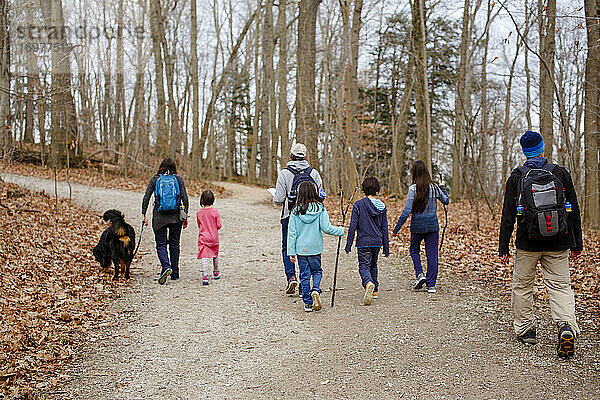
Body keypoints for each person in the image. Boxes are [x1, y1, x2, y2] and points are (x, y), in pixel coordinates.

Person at [499, 131, 583, 359]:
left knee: (522, 285)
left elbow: (508, 215)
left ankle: (526, 329)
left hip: (527, 243)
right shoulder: (560, 173)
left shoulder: (517, 177)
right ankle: (566, 326)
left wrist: (503, 247)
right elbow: (573, 211)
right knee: (560, 286)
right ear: (543, 148)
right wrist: (577, 243)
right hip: (560, 240)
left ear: (524, 152)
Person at [273, 143, 324, 295]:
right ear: (305, 157)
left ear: (290, 156)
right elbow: (320, 195)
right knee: (305, 249)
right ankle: (305, 285)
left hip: (289, 215)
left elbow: (278, 199)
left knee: (287, 246)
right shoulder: (313, 173)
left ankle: (291, 277)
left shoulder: (284, 174)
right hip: (311, 216)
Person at [392, 160, 449, 294]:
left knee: (414, 250)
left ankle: (420, 274)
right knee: (432, 255)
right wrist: (442, 187)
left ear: (414, 173)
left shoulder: (413, 189)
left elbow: (406, 211)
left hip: (417, 226)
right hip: (432, 226)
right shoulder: (434, 187)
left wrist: (396, 229)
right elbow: (446, 201)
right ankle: (431, 285)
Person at [287, 182, 344, 312]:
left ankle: (307, 303)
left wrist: (291, 252)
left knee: (304, 276)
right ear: (314, 193)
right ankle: (316, 290)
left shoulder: (295, 211)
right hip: (315, 248)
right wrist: (341, 230)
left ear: (299, 194)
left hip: (301, 250)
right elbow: (326, 228)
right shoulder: (320, 208)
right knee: (317, 271)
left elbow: (292, 234)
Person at [142, 158, 189, 285]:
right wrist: (186, 215)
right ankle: (175, 273)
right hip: (175, 217)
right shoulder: (178, 180)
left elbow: (146, 197)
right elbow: (184, 197)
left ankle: (166, 266)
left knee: (161, 244)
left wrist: (143, 214)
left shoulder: (155, 179)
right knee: (174, 244)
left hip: (159, 217)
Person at [345, 177, 390, 305]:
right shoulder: (382, 206)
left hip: (364, 241)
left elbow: (353, 225)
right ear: (377, 190)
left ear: (364, 189)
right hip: (377, 241)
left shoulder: (358, 205)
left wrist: (348, 245)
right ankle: (374, 290)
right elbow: (384, 228)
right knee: (373, 265)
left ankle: (368, 283)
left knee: (364, 266)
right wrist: (386, 248)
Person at [197, 190, 222, 285]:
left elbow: (199, 225)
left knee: (204, 256)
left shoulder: (199, 212)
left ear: (202, 200)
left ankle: (205, 275)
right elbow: (219, 225)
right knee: (215, 254)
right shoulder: (215, 212)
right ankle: (216, 272)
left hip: (203, 237)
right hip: (214, 237)